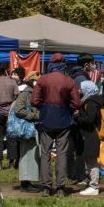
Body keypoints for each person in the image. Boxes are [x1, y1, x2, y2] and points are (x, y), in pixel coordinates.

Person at [32, 54, 81, 196]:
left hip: (46, 119)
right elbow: (77, 103)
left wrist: (45, 107)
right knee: (62, 153)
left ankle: (46, 186)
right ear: (63, 65)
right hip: (64, 119)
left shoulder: (42, 79)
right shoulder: (69, 81)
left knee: (45, 153)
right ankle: (60, 187)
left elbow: (34, 101)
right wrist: (68, 108)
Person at [8, 70, 40, 191]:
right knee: (26, 154)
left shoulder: (31, 92)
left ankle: (27, 181)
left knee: (30, 155)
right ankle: (25, 183)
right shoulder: (26, 93)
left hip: (31, 127)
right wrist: (33, 116)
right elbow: (18, 109)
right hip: (27, 127)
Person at [75, 80, 103, 196]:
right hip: (90, 134)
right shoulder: (91, 101)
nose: (79, 91)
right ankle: (92, 184)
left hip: (91, 135)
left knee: (91, 160)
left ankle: (94, 186)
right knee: (89, 160)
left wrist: (77, 117)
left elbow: (90, 120)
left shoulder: (91, 103)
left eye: (81, 89)